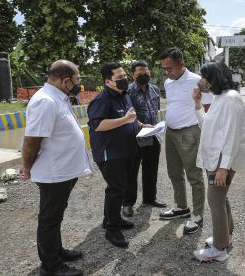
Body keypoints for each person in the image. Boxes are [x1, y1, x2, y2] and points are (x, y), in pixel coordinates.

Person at [21, 60, 92, 276]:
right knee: (49, 219)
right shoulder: (45, 101)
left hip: (63, 171)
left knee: (56, 216)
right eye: (77, 79)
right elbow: (32, 141)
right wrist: (26, 167)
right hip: (54, 172)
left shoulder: (59, 97)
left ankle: (57, 251)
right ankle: (51, 267)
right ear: (65, 80)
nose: (79, 84)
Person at [191, 62, 245, 262]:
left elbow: (232, 135)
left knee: (215, 200)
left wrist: (224, 168)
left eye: (204, 77)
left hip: (222, 161)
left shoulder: (231, 99)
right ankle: (226, 235)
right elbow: (207, 125)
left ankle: (219, 248)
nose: (201, 81)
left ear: (213, 78)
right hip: (215, 158)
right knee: (220, 198)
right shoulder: (220, 98)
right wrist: (197, 105)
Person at [87, 62, 150, 248]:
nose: (124, 80)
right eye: (119, 78)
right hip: (110, 153)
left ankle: (111, 220)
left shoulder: (124, 95)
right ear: (108, 81)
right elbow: (97, 125)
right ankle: (112, 231)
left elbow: (132, 116)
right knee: (116, 190)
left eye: (124, 76)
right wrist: (125, 120)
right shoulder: (101, 100)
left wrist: (141, 125)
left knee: (121, 188)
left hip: (126, 150)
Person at [158, 47, 205, 234]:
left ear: (182, 64)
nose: (167, 72)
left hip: (189, 131)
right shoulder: (169, 82)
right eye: (164, 69)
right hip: (171, 131)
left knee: (194, 175)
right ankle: (181, 207)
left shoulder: (197, 81)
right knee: (174, 172)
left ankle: (198, 214)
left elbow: (207, 106)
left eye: (169, 68)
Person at [122, 60, 167, 217]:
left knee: (151, 169)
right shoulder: (127, 91)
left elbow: (155, 111)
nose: (144, 74)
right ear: (133, 74)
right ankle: (127, 203)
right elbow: (126, 114)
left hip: (153, 135)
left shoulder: (155, 89)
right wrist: (141, 125)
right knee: (131, 172)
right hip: (134, 137)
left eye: (146, 72)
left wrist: (156, 127)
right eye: (140, 72)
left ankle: (149, 198)